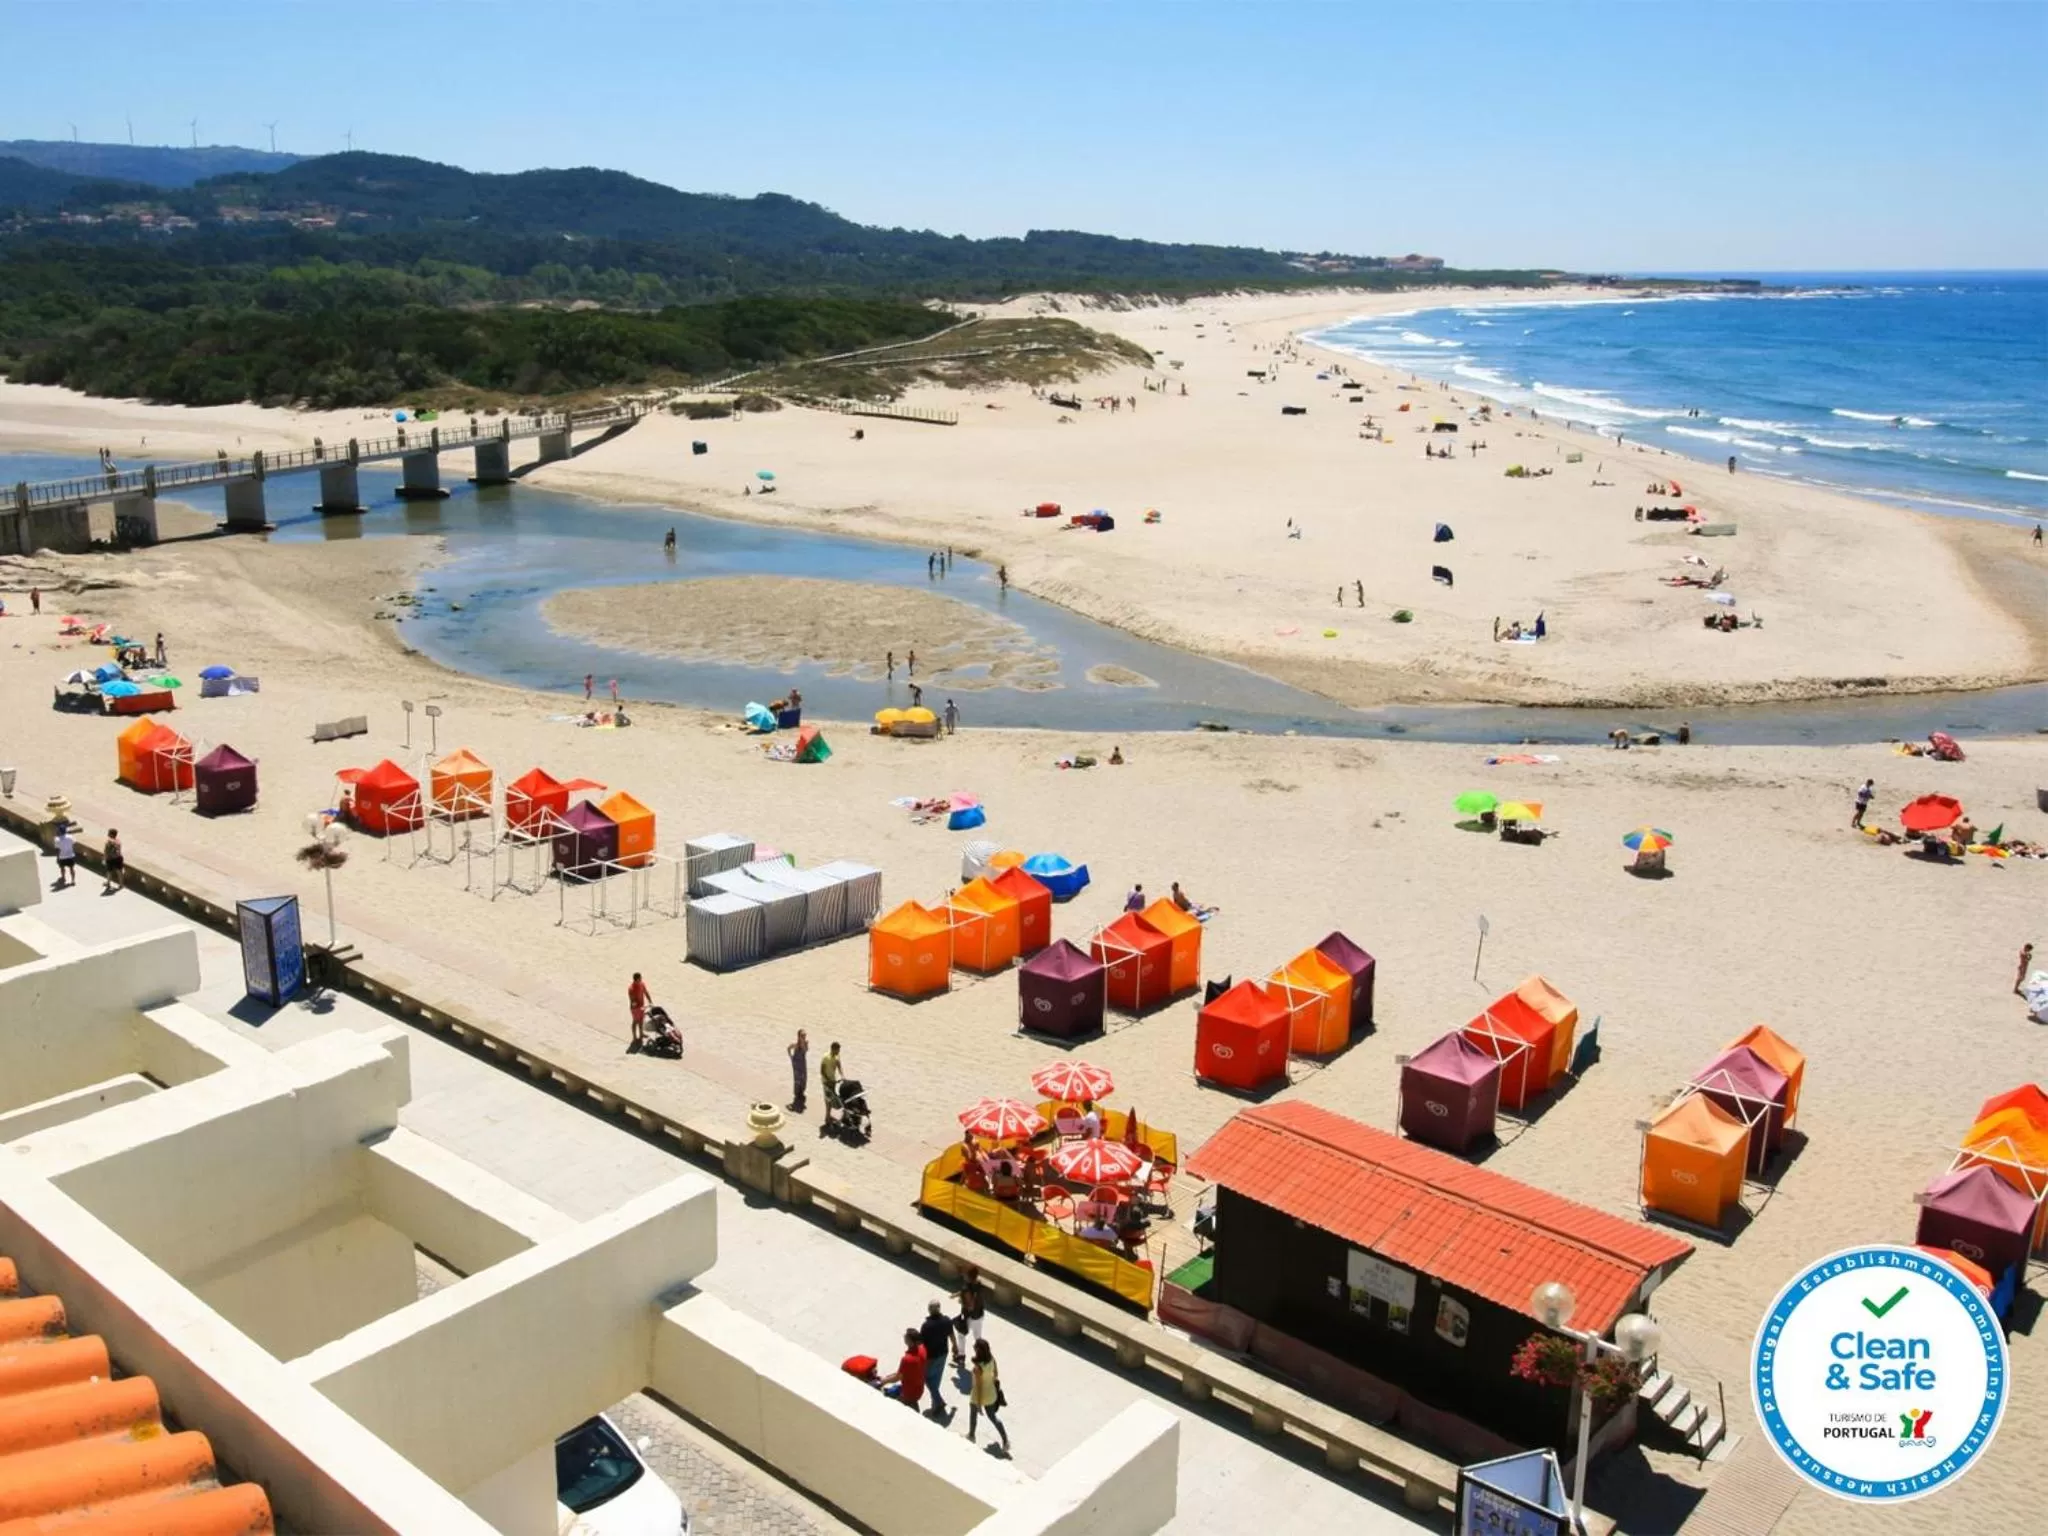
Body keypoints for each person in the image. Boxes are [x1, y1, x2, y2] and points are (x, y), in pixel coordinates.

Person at [967, 1339, 1011, 1453]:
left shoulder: (978, 1368)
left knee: (973, 1414)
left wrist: (979, 1404)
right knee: (993, 1418)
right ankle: (1005, 1440)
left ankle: (971, 1435)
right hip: (991, 1393)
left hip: (979, 1394)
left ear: (978, 1350)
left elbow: (979, 1386)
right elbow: (996, 1374)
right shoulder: (992, 1359)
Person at [918, 1302, 955, 1417]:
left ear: (929, 1310)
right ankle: (936, 1405)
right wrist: (955, 1346)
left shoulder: (926, 1326)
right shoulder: (947, 1321)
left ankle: (939, 1401)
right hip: (943, 1354)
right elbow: (951, 1335)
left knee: (926, 1378)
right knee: (936, 1379)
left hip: (931, 1357)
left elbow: (921, 1343)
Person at [881, 1328, 927, 1412]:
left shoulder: (907, 1359)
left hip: (909, 1392)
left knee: (899, 1409)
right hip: (919, 1388)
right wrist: (890, 1376)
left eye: (906, 1336)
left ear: (911, 1342)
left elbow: (897, 1377)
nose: (904, 1336)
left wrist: (883, 1381)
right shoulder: (922, 1349)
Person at [952, 1265, 987, 1365]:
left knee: (961, 1335)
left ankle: (961, 1356)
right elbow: (972, 1293)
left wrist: (961, 1301)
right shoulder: (979, 1283)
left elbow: (970, 1306)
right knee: (978, 1338)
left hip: (969, 1317)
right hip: (979, 1315)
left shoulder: (966, 1287)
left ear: (969, 1276)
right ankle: (982, 1357)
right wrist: (958, 1294)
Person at [627, 972, 651, 1050]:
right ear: (636, 979)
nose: (641, 979)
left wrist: (650, 1000)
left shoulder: (642, 984)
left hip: (641, 1006)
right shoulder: (631, 988)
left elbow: (646, 992)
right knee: (635, 1022)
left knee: (641, 1021)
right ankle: (634, 1037)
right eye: (640, 978)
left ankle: (641, 1034)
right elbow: (632, 1000)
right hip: (635, 1008)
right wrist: (637, 1006)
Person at [820, 1041, 844, 1119]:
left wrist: (842, 1076)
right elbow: (822, 1071)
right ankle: (827, 1116)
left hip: (833, 1081)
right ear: (833, 1049)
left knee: (831, 1099)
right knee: (828, 1099)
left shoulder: (836, 1057)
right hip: (826, 1082)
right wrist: (828, 1080)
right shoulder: (826, 1057)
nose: (839, 1052)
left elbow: (839, 1066)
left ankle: (828, 1115)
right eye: (838, 1050)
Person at [787, 1028, 808, 1113]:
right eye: (802, 1035)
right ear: (798, 1036)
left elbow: (806, 1050)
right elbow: (788, 1048)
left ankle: (801, 1092)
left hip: (802, 1063)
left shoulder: (806, 1043)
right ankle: (797, 1094)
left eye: (804, 1035)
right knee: (797, 1079)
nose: (804, 1037)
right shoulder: (795, 1045)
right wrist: (791, 1057)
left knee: (804, 1078)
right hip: (796, 1064)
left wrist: (804, 1044)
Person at [101, 829, 125, 894]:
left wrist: (104, 859)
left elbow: (106, 851)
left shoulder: (108, 842)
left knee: (109, 871)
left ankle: (108, 883)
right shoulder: (118, 841)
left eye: (108, 833)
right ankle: (121, 884)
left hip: (110, 858)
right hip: (119, 857)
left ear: (111, 834)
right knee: (119, 871)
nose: (107, 834)